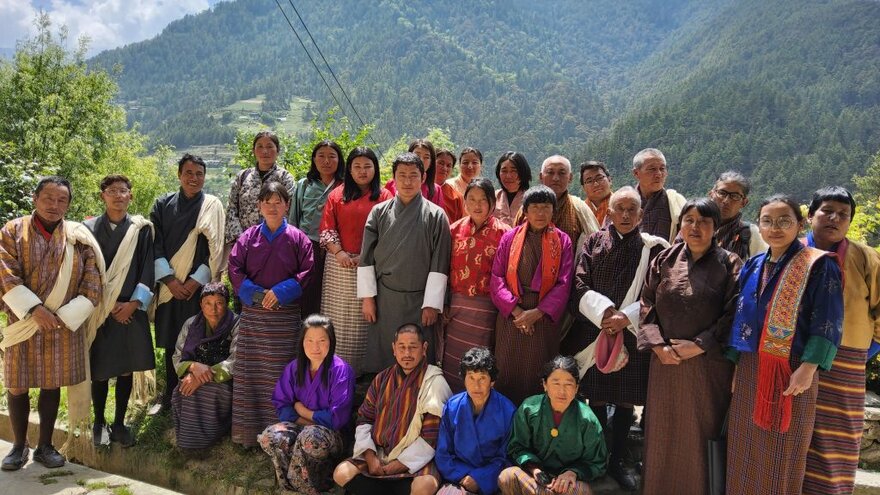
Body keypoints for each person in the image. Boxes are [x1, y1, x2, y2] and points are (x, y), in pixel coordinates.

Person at [726, 194, 843, 494]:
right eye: (767, 221)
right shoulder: (754, 265)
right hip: (752, 367)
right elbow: (742, 319)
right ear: (759, 225)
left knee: (782, 449)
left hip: (792, 370)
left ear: (799, 224)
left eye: (784, 221)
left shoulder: (817, 265)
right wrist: (737, 365)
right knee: (745, 447)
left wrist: (809, 367)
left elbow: (827, 320)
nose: (775, 228)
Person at [561, 186, 668, 491]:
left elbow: (659, 292)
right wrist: (605, 315)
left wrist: (626, 317)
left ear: (641, 214)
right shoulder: (594, 242)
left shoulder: (654, 249)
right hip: (595, 330)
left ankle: (617, 460)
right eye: (619, 209)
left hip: (632, 333)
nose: (624, 215)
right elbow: (578, 284)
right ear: (608, 212)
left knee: (624, 400)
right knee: (595, 396)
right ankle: (594, 457)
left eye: (631, 210)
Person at [637, 198, 742, 495]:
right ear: (680, 225)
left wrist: (699, 345)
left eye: (704, 221)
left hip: (708, 366)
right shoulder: (664, 259)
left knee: (700, 433)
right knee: (663, 432)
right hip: (665, 364)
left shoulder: (730, 264)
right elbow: (646, 304)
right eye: (690, 220)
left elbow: (734, 311)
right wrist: (658, 346)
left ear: (716, 227)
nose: (696, 227)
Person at [0, 176, 102, 470]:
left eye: (62, 200)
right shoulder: (12, 231)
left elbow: (92, 283)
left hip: (62, 323)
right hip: (23, 321)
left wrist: (62, 316)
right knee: (17, 384)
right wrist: (34, 309)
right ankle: (19, 446)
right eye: (48, 198)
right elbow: (5, 274)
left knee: (51, 382)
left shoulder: (78, 238)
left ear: (68, 204)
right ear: (35, 198)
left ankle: (45, 446)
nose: (54, 205)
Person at [803, 187, 880, 494]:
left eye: (843, 214)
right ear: (810, 216)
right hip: (793, 360)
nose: (834, 218)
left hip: (846, 363)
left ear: (849, 222)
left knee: (836, 443)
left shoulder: (865, 258)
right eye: (826, 211)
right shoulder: (795, 252)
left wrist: (866, 352)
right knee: (794, 438)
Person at [229, 181, 314, 447]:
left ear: (287, 205)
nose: (272, 207)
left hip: (284, 317)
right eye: (267, 202)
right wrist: (257, 295)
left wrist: (280, 292)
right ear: (259, 206)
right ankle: (248, 435)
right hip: (254, 318)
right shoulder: (248, 237)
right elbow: (234, 268)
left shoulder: (298, 238)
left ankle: (282, 436)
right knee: (250, 374)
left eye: (278, 202)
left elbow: (307, 271)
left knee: (282, 373)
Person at [332, 323, 453, 495]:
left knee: (426, 486)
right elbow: (364, 419)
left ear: (424, 348)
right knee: (341, 473)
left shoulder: (434, 382)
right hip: (379, 455)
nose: (407, 354)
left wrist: (397, 466)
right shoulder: (382, 379)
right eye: (401, 347)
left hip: (415, 461)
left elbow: (431, 436)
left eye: (413, 347)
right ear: (393, 349)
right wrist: (371, 457)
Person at [359, 152, 452, 373]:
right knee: (385, 354)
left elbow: (440, 263)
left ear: (423, 178)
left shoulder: (436, 215)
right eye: (402, 175)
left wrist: (431, 303)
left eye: (413, 175)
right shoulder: (379, 212)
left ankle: (417, 404)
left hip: (420, 301)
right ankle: (384, 400)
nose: (408, 181)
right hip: (385, 299)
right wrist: (368, 298)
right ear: (394, 178)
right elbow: (366, 259)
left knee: (418, 356)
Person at [150, 153, 225, 415]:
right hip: (170, 289)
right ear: (179, 175)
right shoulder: (162, 205)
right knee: (172, 341)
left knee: (198, 340)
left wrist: (194, 282)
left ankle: (196, 396)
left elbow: (213, 250)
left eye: (199, 174)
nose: (194, 179)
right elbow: (155, 244)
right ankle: (169, 394)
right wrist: (170, 281)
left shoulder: (211, 205)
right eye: (189, 173)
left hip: (198, 290)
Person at [84, 174, 155, 447]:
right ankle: (99, 422)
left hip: (131, 309)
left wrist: (133, 305)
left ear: (130, 196)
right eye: (111, 191)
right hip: (100, 309)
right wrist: (107, 303)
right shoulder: (88, 229)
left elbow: (147, 269)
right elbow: (86, 270)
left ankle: (119, 423)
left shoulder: (142, 230)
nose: (117, 195)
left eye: (123, 191)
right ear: (102, 195)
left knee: (126, 369)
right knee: (100, 369)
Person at [491, 185, 574, 404]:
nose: (540, 213)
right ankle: (506, 422)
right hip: (512, 316)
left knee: (538, 372)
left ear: (553, 211)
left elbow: (564, 283)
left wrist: (536, 313)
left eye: (546, 207)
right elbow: (497, 278)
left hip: (543, 318)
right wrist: (518, 312)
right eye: (534, 207)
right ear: (525, 211)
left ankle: (536, 422)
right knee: (507, 370)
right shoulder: (509, 238)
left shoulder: (563, 241)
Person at [259, 315, 355, 495]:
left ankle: (314, 487)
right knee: (271, 436)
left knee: (310, 437)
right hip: (301, 425)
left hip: (333, 435)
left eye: (321, 341)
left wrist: (306, 412)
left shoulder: (341, 370)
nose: (315, 347)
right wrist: (303, 420)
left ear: (331, 342)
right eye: (309, 340)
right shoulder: (294, 368)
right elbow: (282, 403)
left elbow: (337, 418)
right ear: (302, 342)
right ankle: (288, 489)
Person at [319, 147, 393, 376]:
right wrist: (339, 252)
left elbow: (389, 232)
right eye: (357, 166)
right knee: (338, 321)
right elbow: (327, 228)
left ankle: (363, 373)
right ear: (349, 169)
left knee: (365, 319)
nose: (362, 171)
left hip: (371, 266)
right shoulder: (336, 195)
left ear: (375, 169)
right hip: (338, 266)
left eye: (367, 166)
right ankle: (334, 371)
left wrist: (366, 255)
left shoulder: (385, 197)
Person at [498, 355, 606, 495]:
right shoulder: (529, 408)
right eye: (556, 383)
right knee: (507, 476)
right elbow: (517, 447)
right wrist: (534, 469)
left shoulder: (587, 419)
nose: (562, 391)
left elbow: (597, 462)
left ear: (576, 388)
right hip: (535, 478)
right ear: (545, 385)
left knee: (582, 491)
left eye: (568, 384)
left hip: (565, 484)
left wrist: (572, 473)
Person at [442, 179, 510, 392]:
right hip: (456, 308)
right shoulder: (454, 230)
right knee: (452, 361)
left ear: (492, 203)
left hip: (487, 309)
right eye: (471, 199)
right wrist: (443, 303)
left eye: (483, 200)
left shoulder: (505, 233)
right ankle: (452, 406)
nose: (477, 205)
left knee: (480, 361)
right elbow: (443, 268)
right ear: (465, 202)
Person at [436, 347, 517, 495]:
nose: (476, 385)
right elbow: (443, 454)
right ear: (464, 379)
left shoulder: (507, 410)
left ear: (492, 381)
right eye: (471, 377)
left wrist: (480, 478)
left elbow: (506, 457)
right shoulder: (452, 407)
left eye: (482, 378)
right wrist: (464, 476)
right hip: (458, 478)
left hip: (492, 480)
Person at [170, 282, 239, 450]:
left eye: (219, 303)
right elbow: (177, 356)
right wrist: (193, 368)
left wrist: (202, 377)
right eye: (208, 303)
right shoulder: (190, 324)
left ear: (227, 304)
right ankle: (188, 444)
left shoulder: (237, 323)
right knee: (183, 389)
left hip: (225, 381)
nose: (213, 309)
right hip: (194, 375)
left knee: (209, 392)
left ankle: (206, 441)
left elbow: (236, 361)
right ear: (201, 304)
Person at [288, 140, 343, 319]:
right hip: (307, 246)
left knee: (328, 292)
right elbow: (294, 218)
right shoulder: (304, 184)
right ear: (313, 159)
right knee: (306, 290)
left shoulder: (344, 187)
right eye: (321, 156)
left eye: (331, 156)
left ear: (339, 160)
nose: (326, 161)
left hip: (335, 248)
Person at [224, 130, 297, 248]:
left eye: (269, 146)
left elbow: (290, 209)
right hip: (244, 244)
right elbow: (232, 208)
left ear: (278, 151)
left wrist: (277, 238)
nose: (265, 151)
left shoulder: (284, 177)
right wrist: (240, 239)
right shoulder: (243, 176)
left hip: (276, 243)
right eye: (260, 146)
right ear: (253, 151)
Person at [518, 155, 599, 256]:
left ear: (570, 178)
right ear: (540, 177)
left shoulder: (580, 209)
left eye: (562, 173)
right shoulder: (526, 208)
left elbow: (596, 246)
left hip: (568, 270)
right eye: (550, 172)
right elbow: (514, 244)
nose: (556, 178)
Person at [707, 170, 767, 260]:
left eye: (735, 196)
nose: (726, 201)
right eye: (722, 193)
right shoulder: (694, 226)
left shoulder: (751, 234)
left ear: (744, 202)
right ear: (711, 194)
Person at [631, 148, 687, 242]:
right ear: (636, 173)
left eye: (662, 169)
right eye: (652, 169)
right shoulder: (624, 202)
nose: (658, 174)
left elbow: (687, 234)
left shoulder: (676, 201)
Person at [385, 139, 444, 208]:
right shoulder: (391, 184)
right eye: (417, 155)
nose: (421, 160)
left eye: (426, 157)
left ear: (431, 162)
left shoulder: (436, 190)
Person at [493, 152, 531, 227]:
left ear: (523, 172)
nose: (508, 176)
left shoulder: (531, 198)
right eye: (504, 171)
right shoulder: (493, 197)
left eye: (514, 171)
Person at [435, 148, 466, 222]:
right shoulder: (420, 189)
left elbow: (459, 225)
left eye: (449, 165)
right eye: (441, 163)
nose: (444, 168)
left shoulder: (456, 197)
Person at [579, 161, 613, 227]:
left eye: (600, 178)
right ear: (583, 188)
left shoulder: (622, 205)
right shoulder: (579, 211)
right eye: (589, 181)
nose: (596, 184)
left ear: (609, 180)